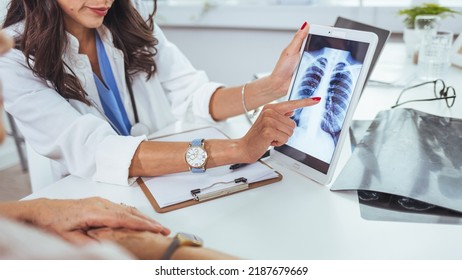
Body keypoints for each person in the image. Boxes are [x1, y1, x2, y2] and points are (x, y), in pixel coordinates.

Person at [0, 0, 320, 186]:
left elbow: (193, 93)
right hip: (86, 194)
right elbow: (95, 150)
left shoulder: (130, 18)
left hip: (162, 181)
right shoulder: (12, 55)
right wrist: (238, 149)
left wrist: (273, 86)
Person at [0, 30, 234, 260]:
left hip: (155, 192)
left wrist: (35, 211)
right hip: (94, 198)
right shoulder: (14, 49)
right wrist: (232, 150)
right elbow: (94, 148)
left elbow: (191, 90)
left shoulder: (128, 12)